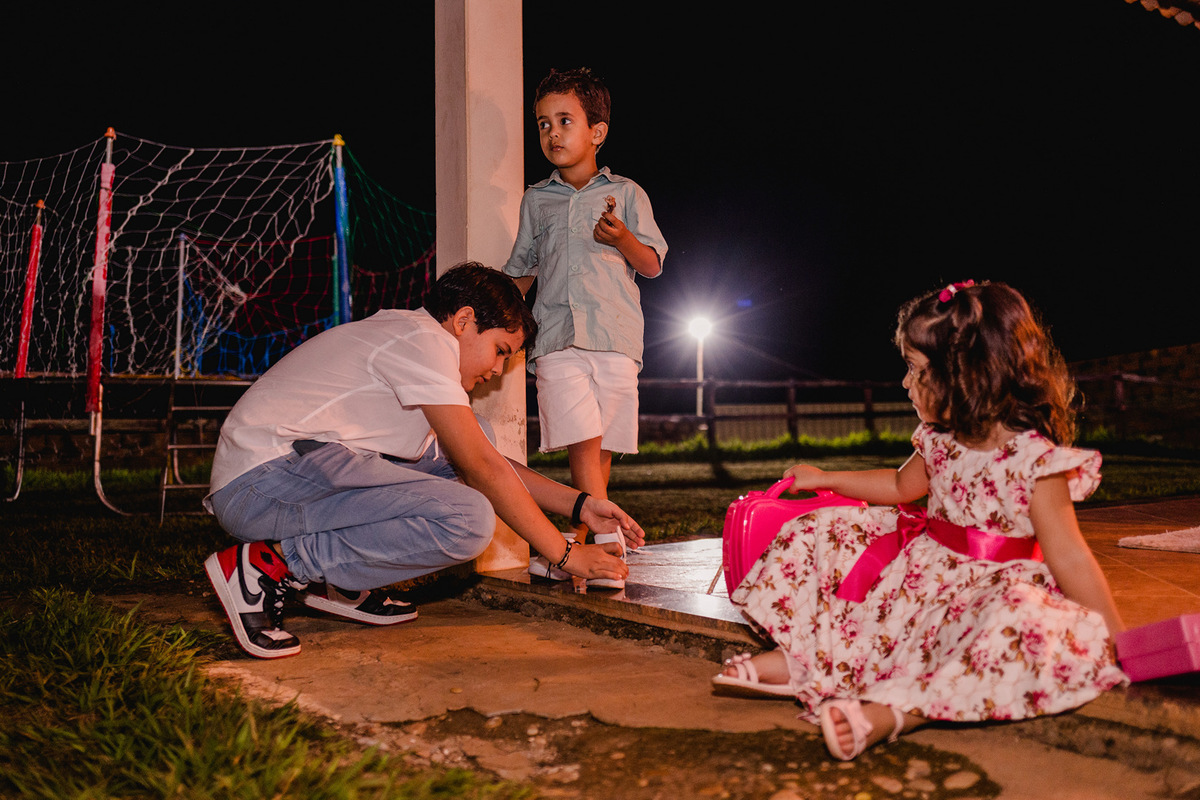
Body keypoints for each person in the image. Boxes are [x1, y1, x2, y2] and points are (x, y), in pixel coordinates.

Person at [711, 280, 1127, 761]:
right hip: (924, 570)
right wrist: (827, 478)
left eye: (915, 369)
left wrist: (1120, 634)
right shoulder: (939, 438)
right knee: (825, 532)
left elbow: (1069, 554)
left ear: (966, 374)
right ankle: (798, 658)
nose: (906, 382)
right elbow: (898, 488)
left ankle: (890, 715)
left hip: (990, 587)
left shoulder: (1035, 460)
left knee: (1020, 624)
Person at [203, 263, 644, 659]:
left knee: (478, 437)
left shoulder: (412, 345)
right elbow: (482, 470)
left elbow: (488, 459)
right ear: (464, 320)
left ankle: (340, 583)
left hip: (291, 475)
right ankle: (267, 567)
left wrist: (579, 505)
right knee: (466, 517)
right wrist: (566, 555)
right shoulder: (423, 341)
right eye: (500, 351)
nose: (497, 370)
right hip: (261, 484)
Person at [503, 67, 667, 588]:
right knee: (580, 438)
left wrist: (621, 239)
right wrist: (494, 313)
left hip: (616, 338)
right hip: (554, 338)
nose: (552, 133)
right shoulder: (536, 199)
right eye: (543, 123)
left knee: (601, 446)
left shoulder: (627, 193)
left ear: (597, 131)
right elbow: (521, 269)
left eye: (564, 121)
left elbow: (652, 264)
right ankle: (605, 547)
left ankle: (574, 545)